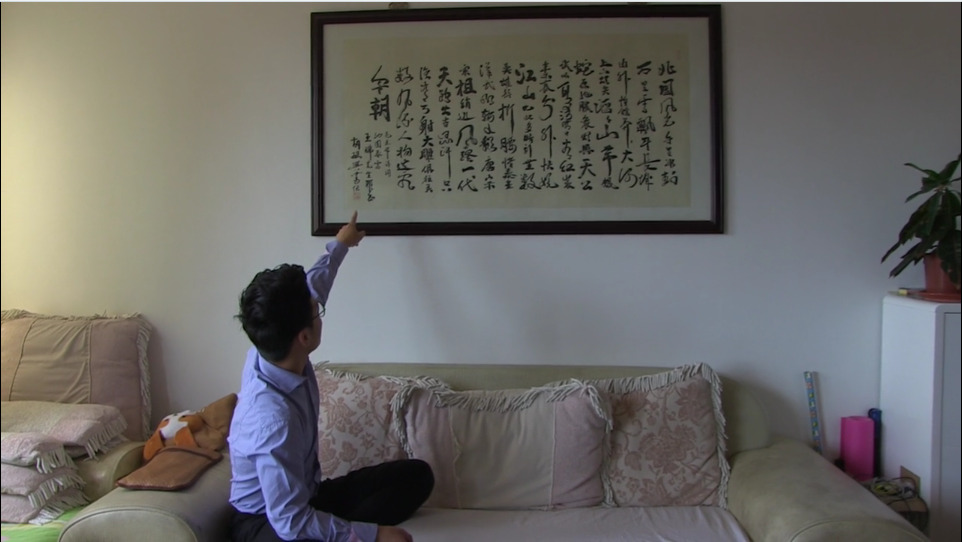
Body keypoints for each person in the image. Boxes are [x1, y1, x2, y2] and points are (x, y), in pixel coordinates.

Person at [228, 211, 434, 542]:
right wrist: (373, 535)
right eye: (317, 313)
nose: (319, 310)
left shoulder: (270, 344)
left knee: (416, 477)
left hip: (308, 497)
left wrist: (341, 244)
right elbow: (290, 522)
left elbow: (314, 288)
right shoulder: (272, 419)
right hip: (266, 524)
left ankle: (340, 529)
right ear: (304, 337)